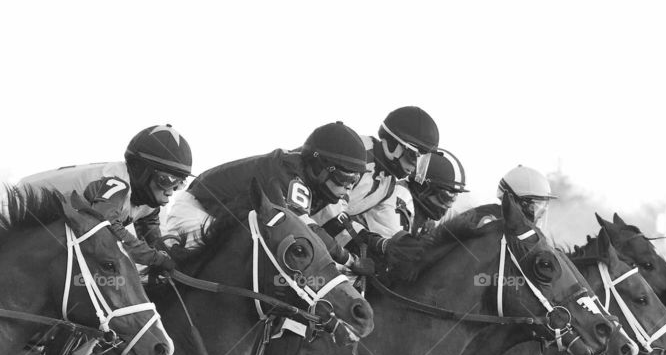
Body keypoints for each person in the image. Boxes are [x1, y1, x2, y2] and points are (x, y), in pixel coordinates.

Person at [163, 122, 367, 269]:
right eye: (345, 178)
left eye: (355, 181)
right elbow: (307, 232)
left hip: (220, 220)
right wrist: (350, 260)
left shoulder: (306, 178)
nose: (349, 188)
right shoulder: (289, 175)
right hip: (196, 212)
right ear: (320, 166)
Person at [16, 124, 192, 271]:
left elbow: (152, 244)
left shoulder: (149, 204)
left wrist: (172, 255)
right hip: (17, 206)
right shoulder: (116, 183)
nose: (171, 191)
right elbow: (109, 234)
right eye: (167, 180)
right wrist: (157, 259)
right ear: (141, 171)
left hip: (47, 224)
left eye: (179, 183)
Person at [336, 106, 439, 256]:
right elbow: (329, 213)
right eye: (413, 155)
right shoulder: (356, 153)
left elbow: (390, 232)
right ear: (392, 144)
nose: (415, 166)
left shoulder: (388, 185)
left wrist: (413, 247)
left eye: (422, 160)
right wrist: (374, 243)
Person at [405, 149, 468, 236]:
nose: (449, 206)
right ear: (423, 187)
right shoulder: (400, 199)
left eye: (455, 196)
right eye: (447, 196)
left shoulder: (425, 208)